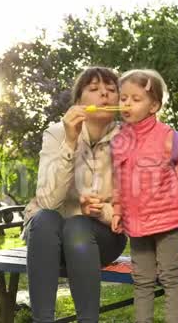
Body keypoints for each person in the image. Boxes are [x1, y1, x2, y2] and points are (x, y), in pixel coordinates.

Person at [23, 66, 128, 323]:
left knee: (79, 226)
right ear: (79, 102)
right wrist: (69, 142)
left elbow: (134, 208)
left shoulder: (130, 140)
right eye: (94, 89)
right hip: (48, 240)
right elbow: (48, 201)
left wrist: (102, 211)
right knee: (45, 218)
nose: (104, 95)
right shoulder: (56, 133)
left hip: (101, 237)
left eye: (111, 90)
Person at [110, 69, 178, 323]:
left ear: (154, 106)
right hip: (137, 226)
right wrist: (117, 209)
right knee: (142, 282)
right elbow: (118, 180)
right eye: (124, 98)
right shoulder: (119, 141)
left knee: (171, 279)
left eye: (136, 99)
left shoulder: (168, 137)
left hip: (168, 223)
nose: (127, 103)